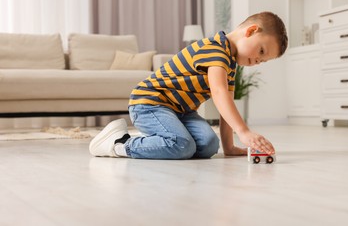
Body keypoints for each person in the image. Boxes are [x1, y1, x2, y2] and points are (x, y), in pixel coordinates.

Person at [89, 11, 288, 159]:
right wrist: (244, 132)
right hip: (150, 104)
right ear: (251, 31)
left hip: (181, 112)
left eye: (263, 61)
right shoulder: (215, 49)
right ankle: (119, 143)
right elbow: (219, 93)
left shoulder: (230, 65)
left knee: (209, 145)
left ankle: (160, 138)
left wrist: (229, 147)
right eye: (261, 52)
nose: (257, 61)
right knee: (182, 145)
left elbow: (226, 105)